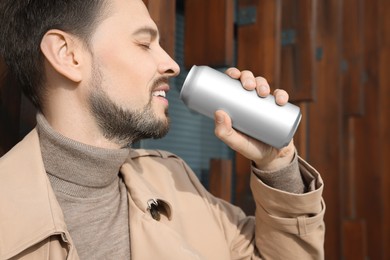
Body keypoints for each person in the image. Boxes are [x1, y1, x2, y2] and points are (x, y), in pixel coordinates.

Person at [0, 0, 325, 259]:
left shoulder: (175, 180)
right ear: (67, 55)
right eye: (144, 43)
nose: (172, 63)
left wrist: (277, 163)